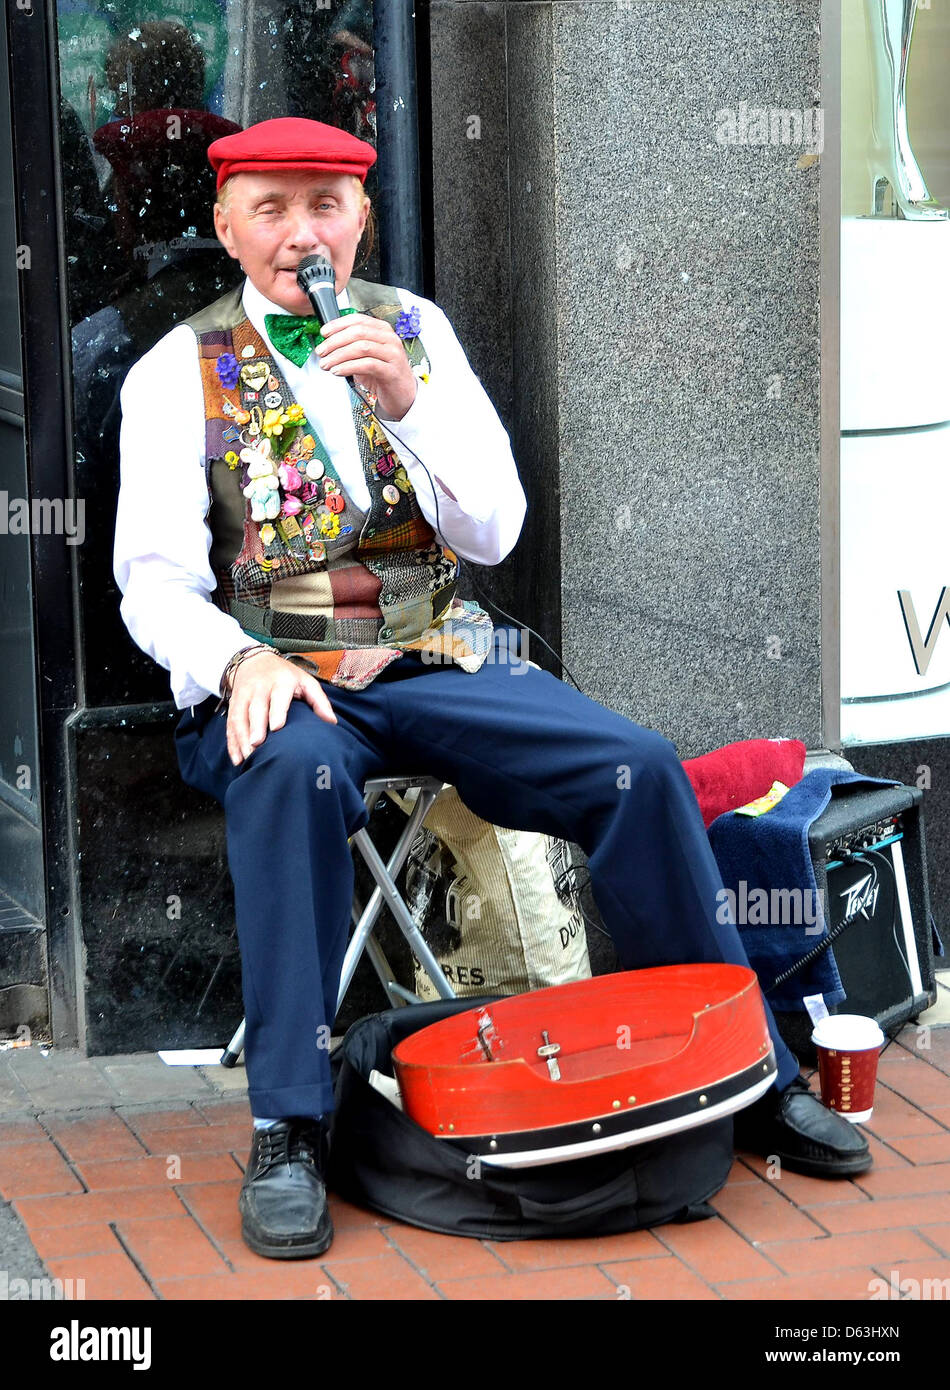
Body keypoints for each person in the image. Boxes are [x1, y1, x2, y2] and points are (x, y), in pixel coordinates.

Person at [113, 116, 871, 1262]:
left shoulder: (417, 331)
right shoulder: (177, 373)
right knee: (292, 777)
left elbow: (497, 527)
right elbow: (149, 584)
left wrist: (412, 402)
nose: (300, 232)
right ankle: (288, 1124)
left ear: (360, 218)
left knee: (636, 768)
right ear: (226, 228)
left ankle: (746, 1068)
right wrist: (238, 661)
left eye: (324, 205)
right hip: (276, 674)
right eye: (270, 207)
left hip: (437, 650)